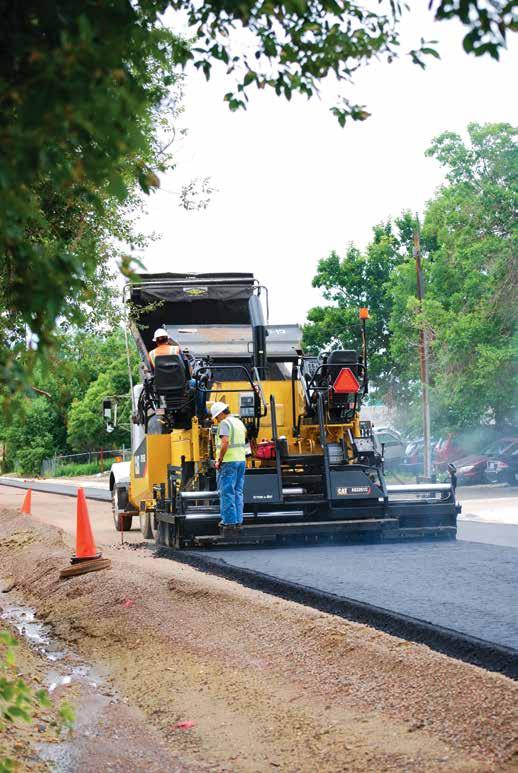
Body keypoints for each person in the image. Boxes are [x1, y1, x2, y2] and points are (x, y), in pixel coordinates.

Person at [211, 401, 247, 529]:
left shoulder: (224, 423)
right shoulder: (239, 422)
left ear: (221, 413)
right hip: (241, 461)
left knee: (227, 492)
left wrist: (219, 460)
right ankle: (238, 520)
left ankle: (229, 522)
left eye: (216, 416)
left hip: (228, 462)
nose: (216, 419)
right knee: (238, 491)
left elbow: (225, 442)